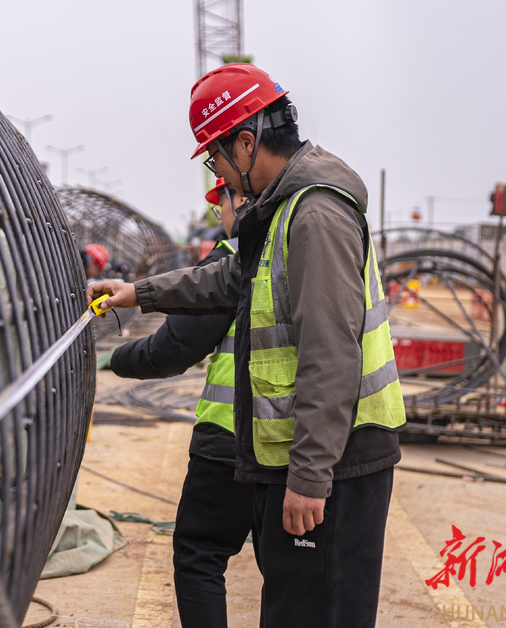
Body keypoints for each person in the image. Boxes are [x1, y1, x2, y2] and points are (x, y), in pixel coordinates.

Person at [87, 63, 405, 627]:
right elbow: (226, 281)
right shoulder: (281, 211)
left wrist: (309, 477)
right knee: (290, 608)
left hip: (340, 457)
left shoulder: (315, 214)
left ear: (246, 141)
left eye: (215, 157)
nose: (219, 174)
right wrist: (136, 293)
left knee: (316, 613)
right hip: (305, 451)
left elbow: (331, 353)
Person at [107, 177, 248, 628]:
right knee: (286, 568)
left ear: (239, 199)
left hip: (231, 437)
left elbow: (175, 346)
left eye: (219, 205)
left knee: (200, 556)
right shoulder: (306, 243)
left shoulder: (238, 255)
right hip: (297, 440)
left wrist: (113, 359)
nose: (219, 218)